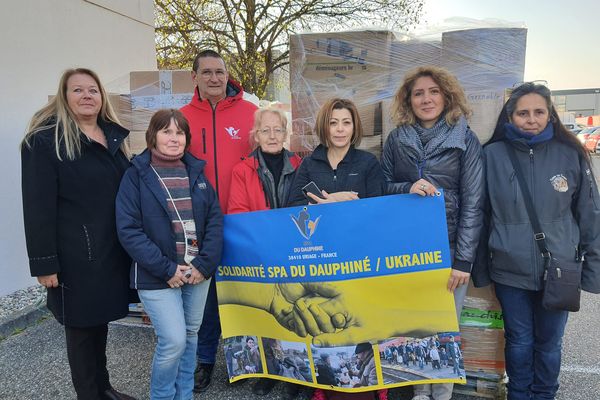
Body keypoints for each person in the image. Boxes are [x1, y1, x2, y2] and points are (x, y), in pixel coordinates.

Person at [472, 82, 600, 400]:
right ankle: (518, 394)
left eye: (539, 112)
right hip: (508, 269)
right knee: (518, 340)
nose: (531, 119)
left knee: (549, 343)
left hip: (560, 269)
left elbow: (590, 214)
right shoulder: (491, 155)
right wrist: (481, 270)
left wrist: (593, 270)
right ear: (510, 117)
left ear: (550, 115)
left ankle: (544, 394)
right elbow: (480, 215)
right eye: (523, 113)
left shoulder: (571, 153)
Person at [20, 68, 136, 400]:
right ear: (64, 97)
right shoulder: (44, 142)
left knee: (98, 323)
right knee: (82, 329)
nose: (87, 96)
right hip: (76, 254)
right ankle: (90, 394)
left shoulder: (112, 137)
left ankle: (104, 388)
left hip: (110, 250)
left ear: (102, 98)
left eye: (93, 90)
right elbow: (37, 207)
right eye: (78, 90)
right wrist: (44, 262)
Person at [381, 65, 483, 400]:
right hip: (409, 251)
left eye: (433, 91)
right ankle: (419, 392)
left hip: (449, 251)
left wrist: (463, 261)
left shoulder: (464, 139)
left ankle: (441, 394)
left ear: (446, 95)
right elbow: (381, 188)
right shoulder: (397, 139)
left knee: (444, 331)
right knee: (416, 327)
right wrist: (406, 186)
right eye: (419, 93)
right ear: (408, 100)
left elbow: (473, 203)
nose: (426, 99)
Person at [116, 109, 223, 399]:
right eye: (166, 131)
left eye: (179, 133)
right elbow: (129, 230)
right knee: (173, 340)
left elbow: (215, 220)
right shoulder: (136, 176)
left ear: (187, 138)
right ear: (153, 136)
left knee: (190, 336)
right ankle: (162, 396)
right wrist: (167, 269)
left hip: (197, 273)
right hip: (157, 274)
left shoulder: (197, 173)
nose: (174, 138)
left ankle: (184, 395)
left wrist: (203, 266)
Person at [180, 49, 257, 392]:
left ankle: (252, 363)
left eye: (220, 71)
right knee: (205, 300)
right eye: (207, 72)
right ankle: (205, 360)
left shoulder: (251, 113)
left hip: (244, 221)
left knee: (248, 293)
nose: (214, 78)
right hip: (200, 226)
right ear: (194, 77)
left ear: (228, 74)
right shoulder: (180, 118)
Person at [227, 106, 302, 397]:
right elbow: (237, 214)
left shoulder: (299, 164)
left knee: (295, 311)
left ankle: (297, 376)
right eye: (265, 130)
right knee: (268, 313)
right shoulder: (242, 169)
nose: (272, 135)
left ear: (286, 133)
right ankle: (270, 371)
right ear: (255, 135)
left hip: (294, 252)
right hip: (260, 253)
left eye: (278, 129)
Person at [287, 98, 385, 206]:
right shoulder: (308, 164)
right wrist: (332, 198)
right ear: (324, 127)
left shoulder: (368, 163)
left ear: (354, 127)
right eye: (333, 123)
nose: (340, 129)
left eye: (346, 123)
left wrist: (346, 205)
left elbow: (378, 207)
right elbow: (294, 206)